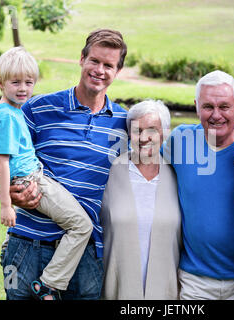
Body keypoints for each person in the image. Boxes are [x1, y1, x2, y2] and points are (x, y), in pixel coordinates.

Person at [0, 29, 128, 300]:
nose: (99, 70)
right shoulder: (37, 108)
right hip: (27, 244)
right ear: (82, 59)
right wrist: (6, 196)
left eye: (108, 65)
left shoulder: (125, 124)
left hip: (85, 254)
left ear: (117, 71)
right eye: (94, 61)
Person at [0, 46, 94, 300]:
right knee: (81, 226)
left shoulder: (8, 111)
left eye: (29, 82)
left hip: (32, 177)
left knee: (77, 221)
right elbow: (0, 163)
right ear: (0, 83)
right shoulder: (8, 118)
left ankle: (11, 246)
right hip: (30, 182)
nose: (23, 88)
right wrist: (5, 204)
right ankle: (49, 284)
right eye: (16, 82)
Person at [163, 70, 234, 300]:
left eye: (225, 106)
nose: (216, 115)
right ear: (196, 106)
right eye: (208, 106)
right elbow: (142, 157)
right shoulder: (180, 141)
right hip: (195, 280)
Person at [101, 100, 182, 299]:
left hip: (167, 290)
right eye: (137, 130)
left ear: (164, 133)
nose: (144, 138)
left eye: (152, 130)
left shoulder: (177, 174)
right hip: (115, 288)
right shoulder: (110, 171)